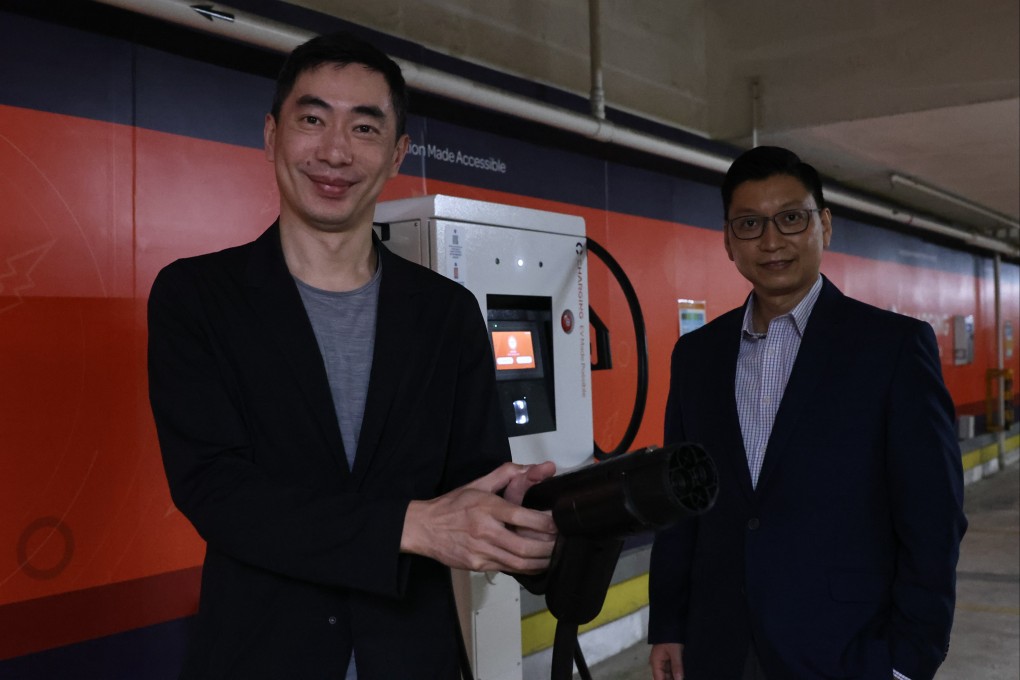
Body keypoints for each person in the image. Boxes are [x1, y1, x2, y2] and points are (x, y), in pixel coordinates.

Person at [147, 32, 557, 680]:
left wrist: (533, 518)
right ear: (271, 134)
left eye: (364, 128)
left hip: (414, 658)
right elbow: (217, 492)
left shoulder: (446, 314)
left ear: (397, 154)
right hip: (259, 657)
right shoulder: (198, 298)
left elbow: (474, 482)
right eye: (312, 119)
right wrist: (409, 526)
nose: (334, 151)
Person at [647, 146, 967, 680]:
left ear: (825, 225)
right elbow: (683, 506)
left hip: (847, 650)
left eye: (791, 218)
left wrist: (911, 657)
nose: (771, 242)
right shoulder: (697, 356)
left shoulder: (891, 348)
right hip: (719, 646)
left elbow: (933, 516)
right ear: (728, 240)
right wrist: (669, 624)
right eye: (749, 224)